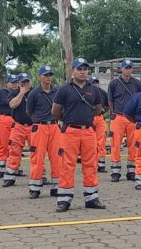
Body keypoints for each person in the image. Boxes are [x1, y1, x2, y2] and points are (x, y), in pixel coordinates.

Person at [52, 58, 106, 212]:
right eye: (79, 69)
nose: (83, 72)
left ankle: (91, 198)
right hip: (70, 132)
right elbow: (55, 111)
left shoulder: (94, 90)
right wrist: (69, 120)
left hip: (89, 131)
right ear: (72, 71)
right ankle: (64, 200)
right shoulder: (64, 89)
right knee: (67, 165)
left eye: (85, 69)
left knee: (90, 164)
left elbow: (98, 109)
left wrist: (86, 119)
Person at [25, 66, 60, 199]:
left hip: (54, 127)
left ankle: (56, 187)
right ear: (39, 77)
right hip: (39, 127)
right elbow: (29, 111)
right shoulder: (34, 93)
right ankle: (35, 188)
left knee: (57, 157)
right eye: (45, 75)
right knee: (37, 157)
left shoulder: (57, 92)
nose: (48, 77)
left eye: (50, 74)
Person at [107, 59, 141, 182]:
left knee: (133, 144)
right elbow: (110, 100)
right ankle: (115, 172)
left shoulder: (137, 83)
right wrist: (112, 113)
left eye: (130, 68)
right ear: (121, 69)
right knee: (115, 144)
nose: (128, 70)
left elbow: (140, 99)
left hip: (132, 118)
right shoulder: (113, 84)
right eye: (126, 67)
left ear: (132, 69)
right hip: (118, 117)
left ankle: (131, 170)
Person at [2, 73, 33, 187]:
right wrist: (22, 93)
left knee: (36, 152)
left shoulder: (35, 92)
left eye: (27, 81)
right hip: (18, 126)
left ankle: (39, 176)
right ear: (19, 83)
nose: (25, 84)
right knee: (14, 151)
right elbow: (12, 105)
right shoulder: (14, 93)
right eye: (22, 82)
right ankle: (10, 177)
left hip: (33, 126)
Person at [0, 74, 18, 179]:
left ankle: (13, 168)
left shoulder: (19, 94)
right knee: (2, 145)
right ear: (7, 83)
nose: (15, 85)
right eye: (13, 82)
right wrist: (0, 114)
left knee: (14, 146)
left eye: (16, 82)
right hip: (3, 120)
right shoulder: (0, 93)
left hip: (16, 121)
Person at [89, 76, 109, 172]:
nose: (95, 84)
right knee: (90, 143)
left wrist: (104, 113)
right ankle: (92, 164)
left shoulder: (103, 93)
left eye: (96, 82)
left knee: (101, 142)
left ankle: (101, 165)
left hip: (100, 118)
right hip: (90, 118)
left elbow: (109, 105)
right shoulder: (86, 92)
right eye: (93, 82)